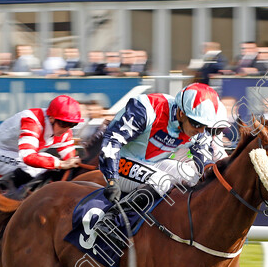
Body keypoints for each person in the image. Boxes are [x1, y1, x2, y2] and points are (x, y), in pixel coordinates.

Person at [95, 83, 227, 236]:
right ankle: (112, 220)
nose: (200, 130)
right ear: (181, 113)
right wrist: (112, 179)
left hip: (153, 165)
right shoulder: (145, 109)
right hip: (120, 163)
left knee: (191, 176)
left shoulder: (198, 128)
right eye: (196, 124)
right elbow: (112, 140)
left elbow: (204, 163)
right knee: (161, 181)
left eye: (205, 126)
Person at [0, 95, 84, 193]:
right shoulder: (31, 121)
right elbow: (28, 157)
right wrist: (61, 163)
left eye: (72, 124)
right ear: (51, 118)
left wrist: (73, 162)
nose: (66, 129)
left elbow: (70, 158)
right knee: (39, 165)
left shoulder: (64, 131)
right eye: (63, 123)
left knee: (51, 163)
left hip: (20, 156)